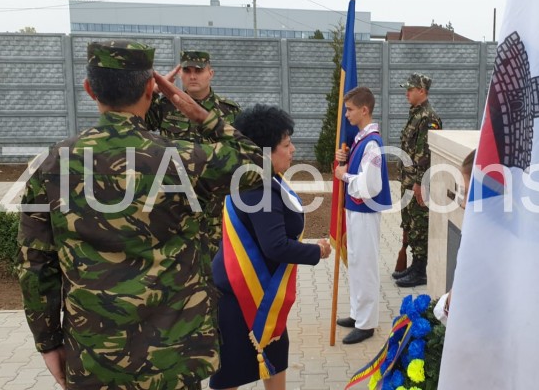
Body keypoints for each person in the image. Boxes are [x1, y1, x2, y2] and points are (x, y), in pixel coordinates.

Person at [17, 39, 265, 389]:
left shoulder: (53, 164)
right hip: (174, 354)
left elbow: (35, 264)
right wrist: (204, 116)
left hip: (94, 355)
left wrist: (48, 342)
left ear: (89, 89)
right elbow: (259, 167)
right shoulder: (184, 160)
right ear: (152, 89)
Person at [433, 149, 539, 390]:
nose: (463, 205)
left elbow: (474, 330)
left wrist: (452, 302)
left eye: (470, 195)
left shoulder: (521, 267)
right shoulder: (536, 252)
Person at [210, 104, 332, 390]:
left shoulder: (262, 178)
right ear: (265, 151)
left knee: (275, 359)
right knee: (230, 374)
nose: (292, 151)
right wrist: (317, 251)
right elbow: (275, 246)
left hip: (262, 293)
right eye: (286, 144)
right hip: (242, 297)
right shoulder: (259, 187)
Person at [146, 50, 242, 257]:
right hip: (174, 203)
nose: (192, 76)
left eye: (198, 71)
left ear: (210, 73)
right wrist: (152, 92)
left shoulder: (228, 110)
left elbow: (242, 150)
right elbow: (137, 122)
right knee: (175, 261)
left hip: (215, 206)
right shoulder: (165, 106)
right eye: (187, 71)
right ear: (180, 75)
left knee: (217, 264)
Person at [332, 86, 392, 345]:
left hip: (365, 211)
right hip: (356, 210)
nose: (346, 115)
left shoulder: (373, 144)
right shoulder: (361, 139)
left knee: (365, 265)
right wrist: (343, 159)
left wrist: (344, 175)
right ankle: (358, 313)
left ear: (364, 110)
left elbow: (371, 185)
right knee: (356, 262)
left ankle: (367, 323)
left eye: (350, 109)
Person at [394, 73, 442, 287]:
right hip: (409, 181)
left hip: (419, 183)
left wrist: (420, 183)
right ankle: (415, 265)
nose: (407, 93)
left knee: (420, 224)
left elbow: (426, 155)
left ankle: (421, 271)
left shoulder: (428, 118)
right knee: (412, 223)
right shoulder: (416, 114)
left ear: (422, 91)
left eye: (411, 89)